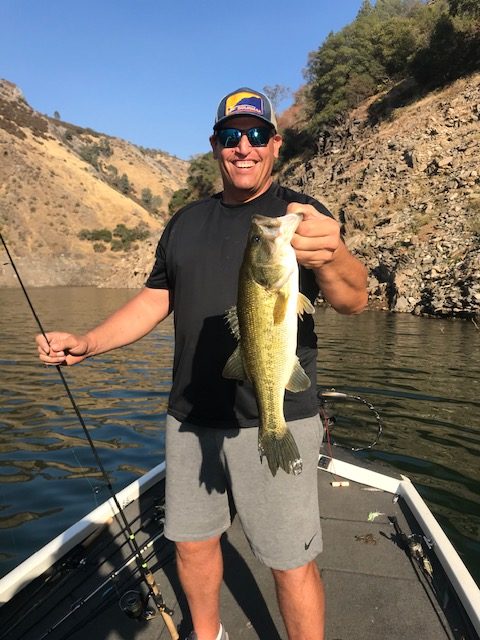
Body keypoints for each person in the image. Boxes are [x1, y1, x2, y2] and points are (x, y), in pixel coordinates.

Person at [36, 87, 368, 640]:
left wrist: (331, 255)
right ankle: (206, 634)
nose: (245, 147)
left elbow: (352, 300)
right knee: (191, 543)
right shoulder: (185, 222)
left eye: (257, 135)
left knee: (291, 559)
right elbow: (155, 299)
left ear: (275, 146)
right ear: (215, 146)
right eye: (231, 136)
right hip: (189, 417)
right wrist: (90, 342)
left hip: (281, 410)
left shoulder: (301, 217)